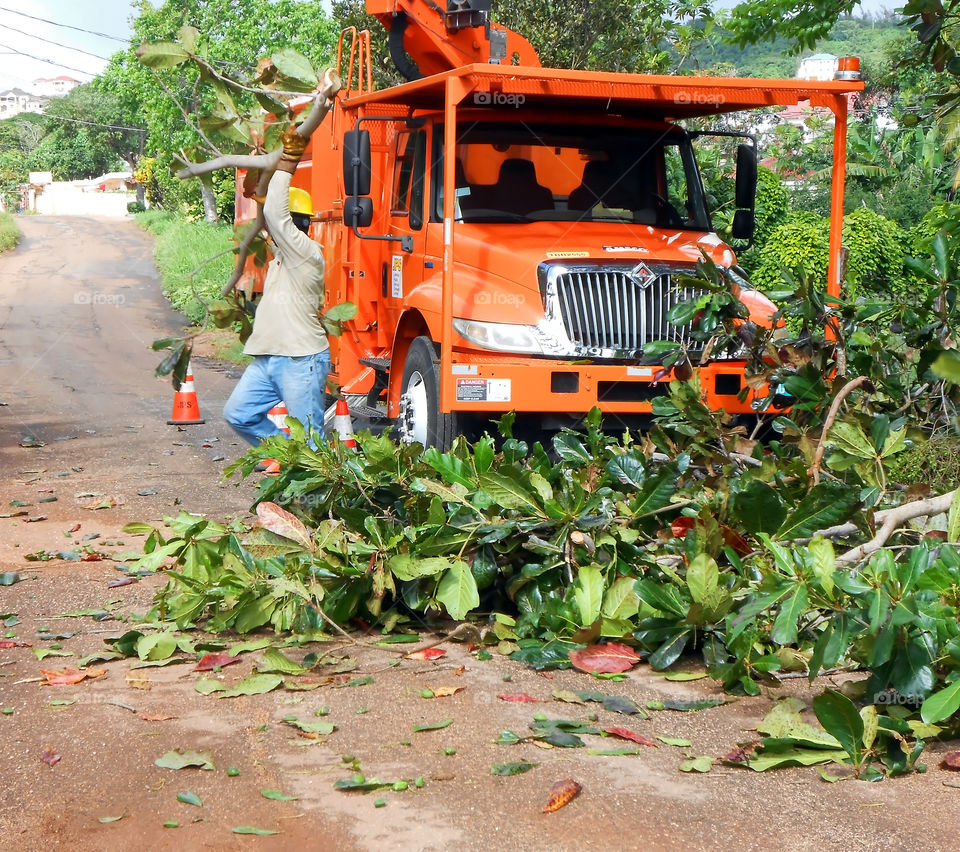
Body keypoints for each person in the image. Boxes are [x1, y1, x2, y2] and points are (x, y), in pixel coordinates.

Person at [223, 129, 329, 449]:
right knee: (238, 414)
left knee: (311, 442)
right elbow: (268, 219)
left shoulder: (305, 252)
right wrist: (259, 176)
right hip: (270, 359)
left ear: (295, 223)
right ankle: (287, 455)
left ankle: (314, 491)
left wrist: (288, 161)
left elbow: (273, 215)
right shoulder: (284, 255)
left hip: (300, 360)